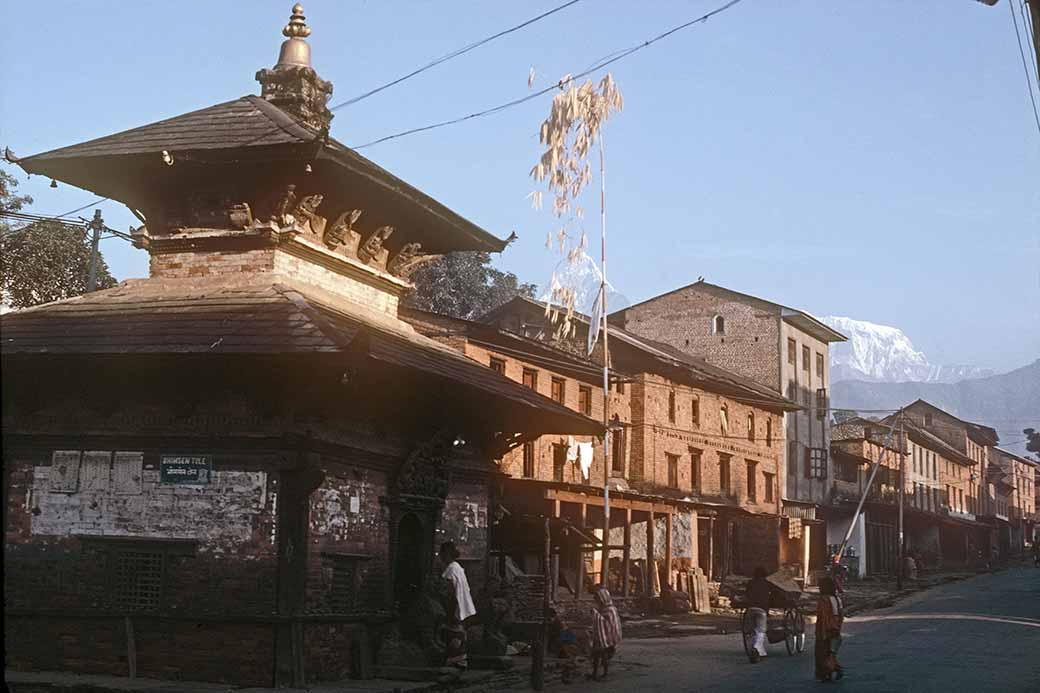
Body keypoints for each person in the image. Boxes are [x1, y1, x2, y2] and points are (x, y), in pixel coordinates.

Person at [439, 541, 476, 670]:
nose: (440, 557)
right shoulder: (458, 568)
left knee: (453, 634)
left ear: (446, 553)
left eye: (441, 553)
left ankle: (455, 661)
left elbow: (449, 592)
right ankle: (460, 660)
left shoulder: (451, 570)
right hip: (461, 607)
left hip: (453, 606)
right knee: (458, 632)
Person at [815, 576, 844, 683]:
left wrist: (822, 632)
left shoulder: (823, 600)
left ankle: (826, 672)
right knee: (831, 652)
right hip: (835, 627)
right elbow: (841, 615)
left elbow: (823, 617)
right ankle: (833, 669)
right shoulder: (837, 599)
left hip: (825, 629)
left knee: (822, 652)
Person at [589, 587, 622, 680]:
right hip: (600, 636)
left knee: (603, 655)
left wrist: (596, 615)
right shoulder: (603, 608)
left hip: (606, 637)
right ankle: (594, 673)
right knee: (595, 655)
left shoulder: (610, 609)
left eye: (598, 599)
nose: (597, 601)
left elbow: (609, 624)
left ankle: (605, 673)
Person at [744, 566, 774, 662]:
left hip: (750, 609)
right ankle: (756, 649)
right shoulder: (767, 584)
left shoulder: (750, 583)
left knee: (750, 631)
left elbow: (747, 594)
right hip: (761, 610)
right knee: (760, 631)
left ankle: (757, 651)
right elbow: (773, 594)